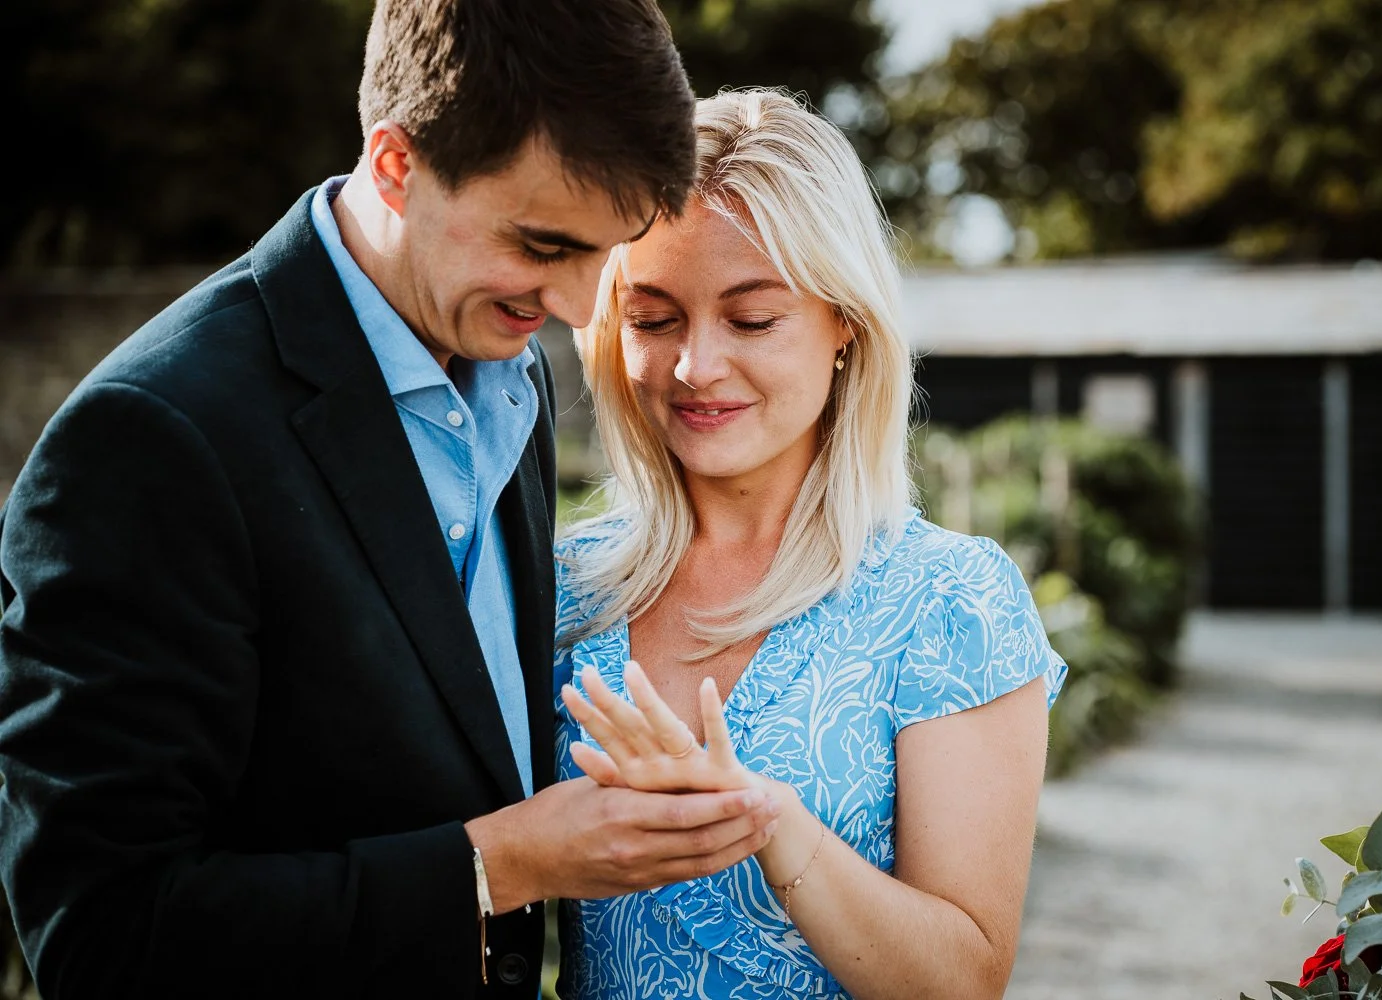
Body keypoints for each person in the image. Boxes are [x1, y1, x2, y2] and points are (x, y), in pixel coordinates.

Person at [0, 4, 782, 998]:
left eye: (608, 250)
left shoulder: (513, 373)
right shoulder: (152, 437)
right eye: (545, 246)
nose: (580, 307)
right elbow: (103, 938)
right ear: (396, 163)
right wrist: (501, 863)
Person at [552, 88, 1069, 1000]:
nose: (695, 366)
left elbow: (963, 981)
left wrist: (763, 819)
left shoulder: (950, 601)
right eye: (653, 317)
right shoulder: (564, 584)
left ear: (846, 328)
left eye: (752, 319)